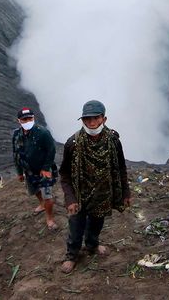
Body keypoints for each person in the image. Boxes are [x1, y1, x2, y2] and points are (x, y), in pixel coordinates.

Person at [59, 100, 131, 273]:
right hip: (79, 195)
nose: (91, 123)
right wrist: (70, 198)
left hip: (102, 193)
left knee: (97, 223)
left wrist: (125, 192)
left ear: (104, 119)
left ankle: (92, 245)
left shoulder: (113, 141)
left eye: (96, 118)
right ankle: (72, 255)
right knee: (76, 226)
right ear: (82, 120)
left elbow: (120, 167)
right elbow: (65, 174)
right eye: (87, 119)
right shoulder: (73, 144)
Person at [12, 107, 58, 230]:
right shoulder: (16, 135)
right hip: (28, 170)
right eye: (24, 119)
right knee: (34, 190)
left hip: (44, 170)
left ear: (33, 118)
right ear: (19, 121)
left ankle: (50, 218)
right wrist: (19, 172)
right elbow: (15, 153)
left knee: (47, 194)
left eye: (29, 118)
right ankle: (41, 204)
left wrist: (46, 167)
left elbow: (51, 150)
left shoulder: (43, 132)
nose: (27, 121)